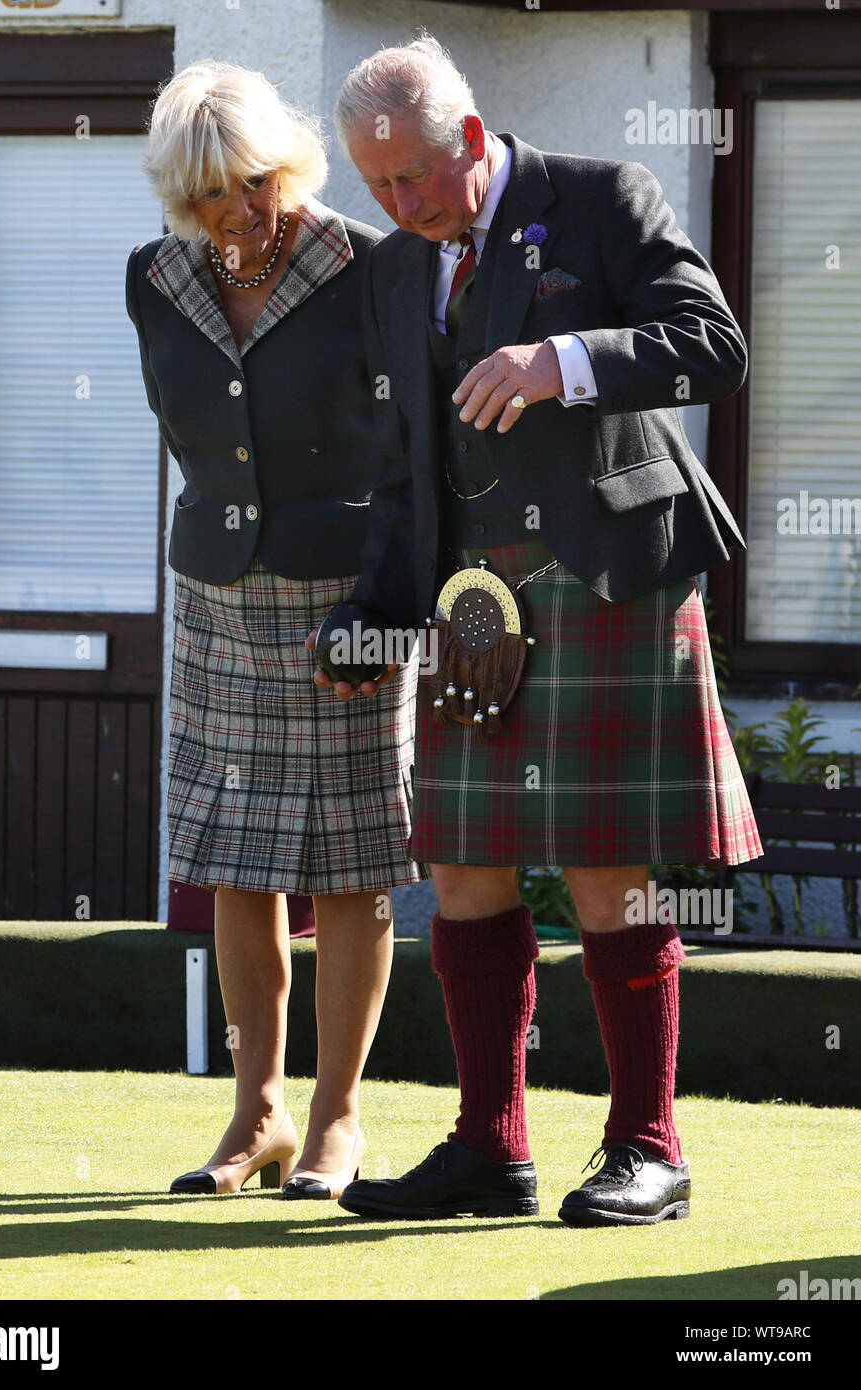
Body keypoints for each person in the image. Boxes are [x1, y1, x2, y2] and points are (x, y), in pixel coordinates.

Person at [314, 35, 762, 1224]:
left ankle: (646, 1149)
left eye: (411, 177)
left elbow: (710, 347)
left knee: (608, 867)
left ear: (468, 138)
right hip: (476, 602)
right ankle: (487, 1147)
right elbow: (404, 460)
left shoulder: (601, 197)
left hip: (609, 578)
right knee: (463, 867)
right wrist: (372, 611)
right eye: (373, 188)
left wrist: (561, 359)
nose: (398, 206)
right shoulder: (396, 269)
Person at [126, 59, 422, 1201]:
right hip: (217, 597)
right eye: (214, 196)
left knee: (351, 864)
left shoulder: (368, 267)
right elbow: (183, 424)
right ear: (180, 200)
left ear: (286, 164)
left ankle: (341, 1118)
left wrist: (387, 603)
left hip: (344, 596)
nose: (242, 212)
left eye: (255, 182)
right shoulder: (152, 278)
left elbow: (407, 452)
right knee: (229, 864)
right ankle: (257, 1115)